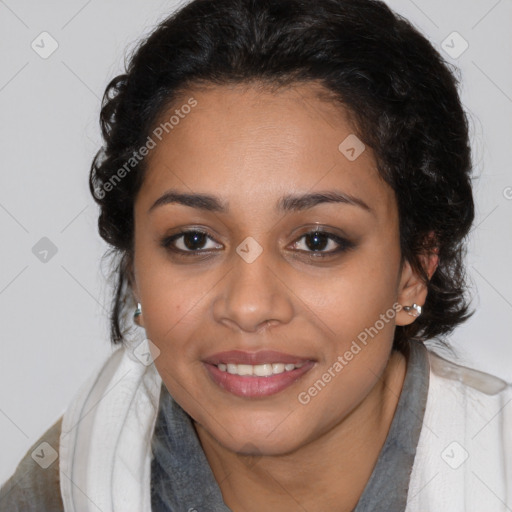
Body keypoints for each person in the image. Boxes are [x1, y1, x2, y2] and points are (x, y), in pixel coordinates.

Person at [1, 0, 511, 510]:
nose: (248, 306)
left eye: (317, 241)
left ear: (415, 270)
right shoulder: (71, 481)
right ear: (134, 267)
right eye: (194, 240)